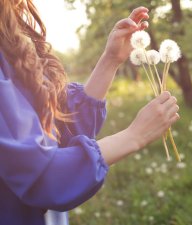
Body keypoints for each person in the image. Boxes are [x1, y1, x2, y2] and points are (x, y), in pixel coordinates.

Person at [0, 1, 180, 225]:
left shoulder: (10, 35)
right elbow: (42, 175)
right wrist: (135, 135)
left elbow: (58, 128)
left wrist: (110, 60)